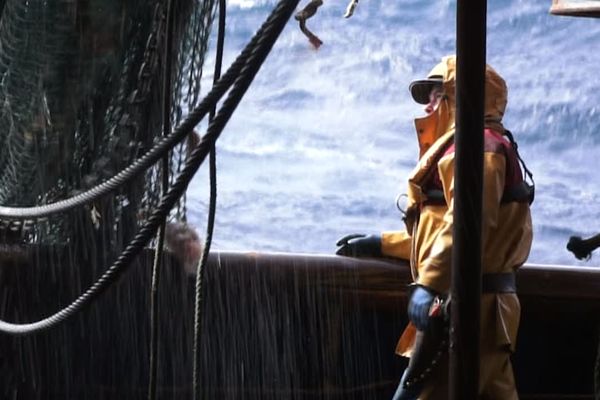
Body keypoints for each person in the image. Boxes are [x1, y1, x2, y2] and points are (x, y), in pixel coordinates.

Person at [336, 55, 533, 399]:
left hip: (471, 309)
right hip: (482, 310)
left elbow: (468, 224)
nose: (428, 109)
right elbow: (442, 229)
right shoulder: (479, 146)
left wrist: (428, 283)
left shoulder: (479, 149)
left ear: (457, 99)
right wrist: (383, 244)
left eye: (435, 97)